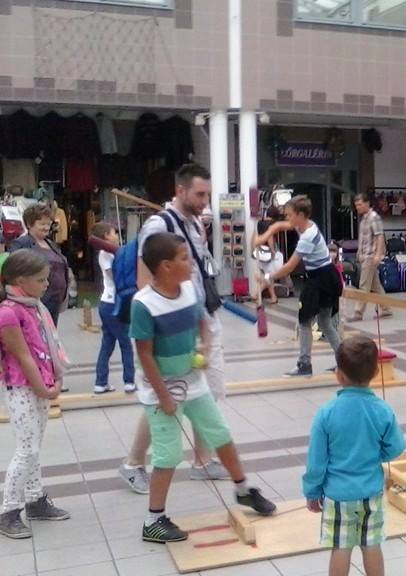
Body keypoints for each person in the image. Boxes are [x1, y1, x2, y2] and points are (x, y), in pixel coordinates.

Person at [133, 233, 276, 543]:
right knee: (168, 454)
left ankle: (243, 489)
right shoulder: (143, 304)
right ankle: (153, 520)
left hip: (193, 382)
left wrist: (204, 346)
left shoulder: (188, 289)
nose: (191, 263)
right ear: (166, 266)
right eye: (185, 258)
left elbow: (202, 321)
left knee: (220, 434)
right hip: (161, 389)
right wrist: (163, 396)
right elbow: (144, 354)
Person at [118, 164, 229, 494]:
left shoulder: (194, 222)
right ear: (180, 190)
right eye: (199, 194)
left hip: (199, 316)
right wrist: (162, 328)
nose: (204, 201)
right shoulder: (159, 225)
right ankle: (133, 463)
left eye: (207, 194)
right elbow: (145, 280)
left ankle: (203, 460)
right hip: (173, 325)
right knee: (168, 396)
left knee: (206, 390)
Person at [303, 336, 406, 576]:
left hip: (338, 495)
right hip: (371, 491)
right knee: (372, 545)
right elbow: (397, 447)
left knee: (341, 547)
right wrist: (378, 454)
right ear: (376, 372)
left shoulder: (326, 413)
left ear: (338, 374)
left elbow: (316, 461)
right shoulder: (382, 410)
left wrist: (312, 491)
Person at [0, 250, 71, 539]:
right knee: (26, 449)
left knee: (33, 447)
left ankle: (34, 500)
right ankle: (8, 510)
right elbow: (23, 355)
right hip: (21, 387)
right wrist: (42, 387)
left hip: (39, 384)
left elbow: (45, 347)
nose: (47, 284)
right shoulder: (8, 312)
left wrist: (53, 378)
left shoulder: (33, 306)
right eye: (41, 280)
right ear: (20, 280)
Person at [255, 195, 342, 377]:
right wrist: (267, 233)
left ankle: (304, 364)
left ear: (300, 215)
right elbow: (281, 225)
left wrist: (268, 277)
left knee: (304, 321)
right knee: (325, 323)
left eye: (289, 215)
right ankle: (345, 363)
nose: (287, 219)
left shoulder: (307, 237)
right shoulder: (306, 224)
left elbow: (290, 266)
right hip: (326, 276)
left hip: (321, 279)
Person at [92, 221, 135, 394]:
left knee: (108, 344)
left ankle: (101, 382)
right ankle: (129, 381)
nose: (117, 235)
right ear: (106, 236)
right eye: (113, 232)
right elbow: (114, 276)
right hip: (112, 304)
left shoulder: (115, 252)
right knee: (126, 343)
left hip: (109, 303)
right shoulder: (105, 254)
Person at [10, 204, 70, 326]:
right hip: (36, 300)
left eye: (48, 224)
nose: (46, 227)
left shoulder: (52, 244)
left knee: (51, 333)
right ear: (29, 224)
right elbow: (15, 270)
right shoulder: (21, 243)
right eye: (42, 224)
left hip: (56, 300)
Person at [349, 192, 391, 321]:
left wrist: (378, 254)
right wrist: (359, 252)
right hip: (365, 255)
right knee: (375, 285)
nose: (358, 207)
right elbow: (364, 238)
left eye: (360, 204)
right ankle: (386, 309)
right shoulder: (364, 219)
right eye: (356, 205)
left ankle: (358, 312)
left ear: (367, 203)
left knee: (363, 284)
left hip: (371, 256)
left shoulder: (374, 217)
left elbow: (380, 236)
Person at [255, 206, 284, 305]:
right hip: (268, 252)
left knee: (268, 274)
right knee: (269, 275)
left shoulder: (259, 223)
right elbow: (270, 237)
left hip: (261, 251)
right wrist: (272, 251)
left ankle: (273, 297)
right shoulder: (271, 224)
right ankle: (257, 293)